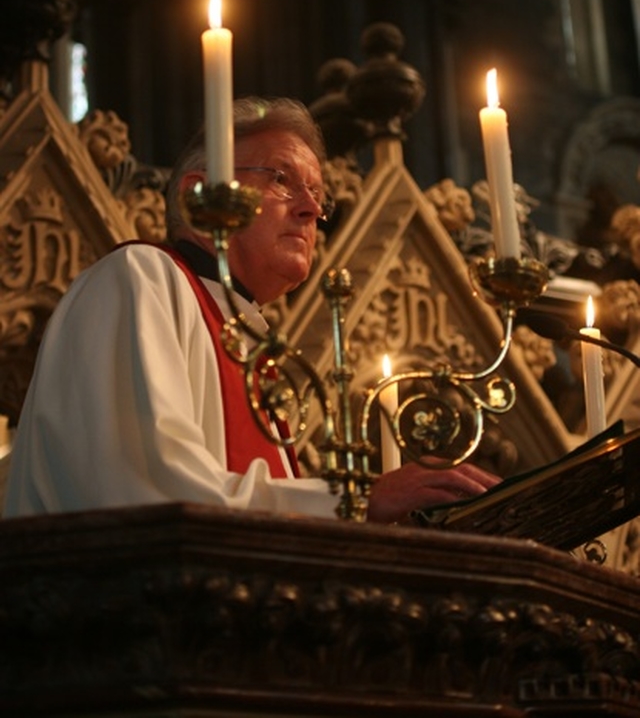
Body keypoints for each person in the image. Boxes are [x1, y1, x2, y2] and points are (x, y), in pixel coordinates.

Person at [3, 97, 499, 521]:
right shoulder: (140, 278)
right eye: (282, 179)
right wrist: (352, 501)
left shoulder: (247, 341)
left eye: (318, 197)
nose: (310, 211)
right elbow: (152, 495)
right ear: (200, 193)